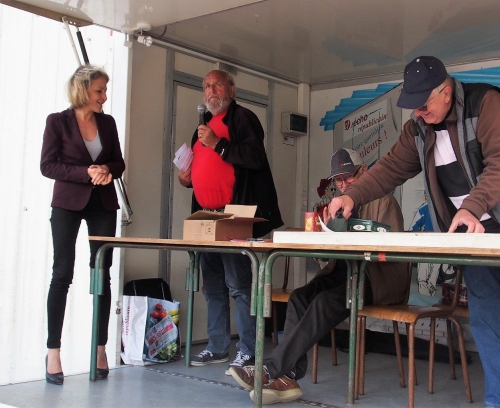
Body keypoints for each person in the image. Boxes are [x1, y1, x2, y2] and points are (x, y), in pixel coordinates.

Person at [327, 56, 500, 408]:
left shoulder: (486, 105)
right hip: (472, 236)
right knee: (487, 317)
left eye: (423, 105)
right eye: (413, 107)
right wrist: (351, 195)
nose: (418, 113)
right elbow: (388, 169)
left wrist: (471, 207)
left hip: (484, 217)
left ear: (446, 93)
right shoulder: (418, 129)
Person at [229, 148, 409, 405]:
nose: (344, 185)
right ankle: (289, 375)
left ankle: (269, 369)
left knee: (326, 301)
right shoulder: (338, 207)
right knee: (300, 297)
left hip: (376, 279)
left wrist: (350, 239)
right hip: (343, 274)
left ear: (365, 171)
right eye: (339, 180)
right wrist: (325, 238)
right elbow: (330, 259)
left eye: (349, 178)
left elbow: (391, 254)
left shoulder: (385, 202)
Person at [178, 70, 283, 373]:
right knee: (212, 286)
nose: (210, 90)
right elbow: (198, 169)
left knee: (239, 285)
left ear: (232, 90)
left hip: (234, 217)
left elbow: (254, 157)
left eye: (217, 85)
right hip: (205, 217)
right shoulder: (202, 127)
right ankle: (217, 347)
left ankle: (249, 351)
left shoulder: (242, 118)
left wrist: (218, 144)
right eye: (206, 86)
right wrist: (186, 179)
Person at [41, 65, 125, 385]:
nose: (105, 96)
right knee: (62, 273)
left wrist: (106, 169)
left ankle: (100, 348)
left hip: (102, 203)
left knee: (101, 272)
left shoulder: (108, 122)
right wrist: (86, 172)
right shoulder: (57, 122)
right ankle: (53, 352)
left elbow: (119, 161)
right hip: (67, 204)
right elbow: (48, 164)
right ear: (83, 91)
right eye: (99, 91)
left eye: (105, 90)